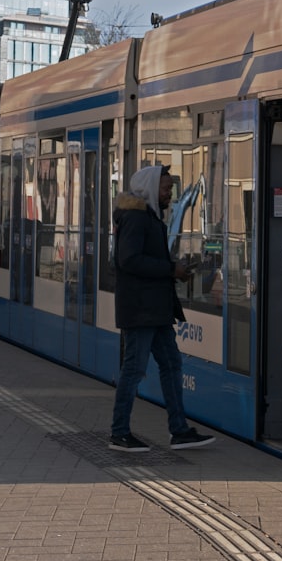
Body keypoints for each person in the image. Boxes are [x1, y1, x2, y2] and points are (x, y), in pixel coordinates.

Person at [109, 164, 215, 452]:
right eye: (166, 188)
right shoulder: (137, 218)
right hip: (141, 309)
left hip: (155, 309)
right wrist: (171, 269)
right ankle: (119, 432)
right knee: (134, 369)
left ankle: (179, 430)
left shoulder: (149, 217)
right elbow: (128, 260)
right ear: (150, 189)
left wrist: (174, 270)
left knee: (171, 365)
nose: (170, 193)